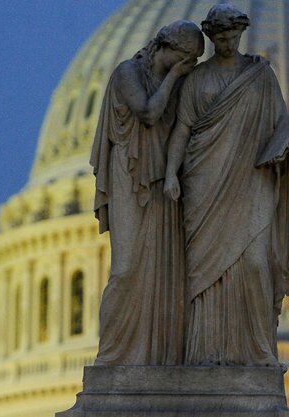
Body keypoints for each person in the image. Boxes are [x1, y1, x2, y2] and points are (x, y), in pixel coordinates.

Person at [164, 4, 289, 367]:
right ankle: (204, 352)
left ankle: (257, 351)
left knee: (254, 264)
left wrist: (285, 148)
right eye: (220, 38)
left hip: (252, 180)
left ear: (241, 35)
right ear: (211, 38)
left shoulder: (260, 76)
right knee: (202, 272)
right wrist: (170, 173)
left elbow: (281, 125)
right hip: (204, 183)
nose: (227, 42)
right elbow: (182, 128)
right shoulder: (197, 79)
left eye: (232, 36)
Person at [90, 20, 204, 366]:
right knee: (126, 269)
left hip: (162, 182)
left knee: (162, 272)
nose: (190, 67)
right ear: (166, 48)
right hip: (129, 174)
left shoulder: (181, 83)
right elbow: (148, 112)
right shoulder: (128, 72)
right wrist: (174, 77)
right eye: (186, 59)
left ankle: (157, 356)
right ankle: (113, 357)